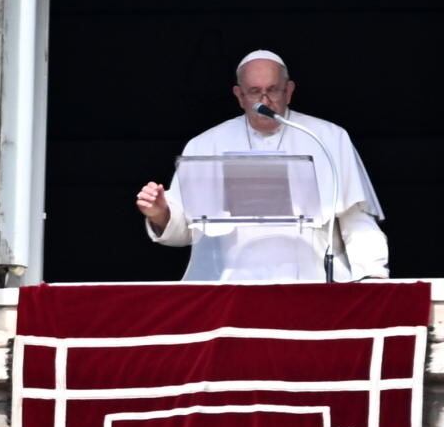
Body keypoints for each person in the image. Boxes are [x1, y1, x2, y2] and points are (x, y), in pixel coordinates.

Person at [132, 50, 389, 283]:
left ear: (288, 91)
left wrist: (372, 277)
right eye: (255, 92)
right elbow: (184, 233)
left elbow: (357, 221)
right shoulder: (205, 145)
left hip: (313, 285)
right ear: (239, 95)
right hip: (232, 288)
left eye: (273, 90)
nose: (264, 100)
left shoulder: (328, 138)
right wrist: (160, 214)